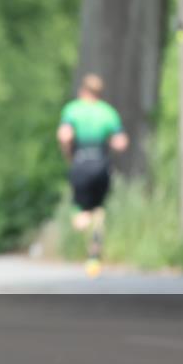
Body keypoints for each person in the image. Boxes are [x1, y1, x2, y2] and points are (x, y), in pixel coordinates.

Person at [57, 73, 129, 278]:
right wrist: (109, 150)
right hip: (101, 166)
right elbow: (121, 142)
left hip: (80, 163)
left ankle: (83, 230)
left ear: (83, 91)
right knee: (99, 211)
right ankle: (94, 256)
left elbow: (64, 135)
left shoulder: (73, 109)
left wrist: (68, 154)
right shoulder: (108, 112)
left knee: (80, 212)